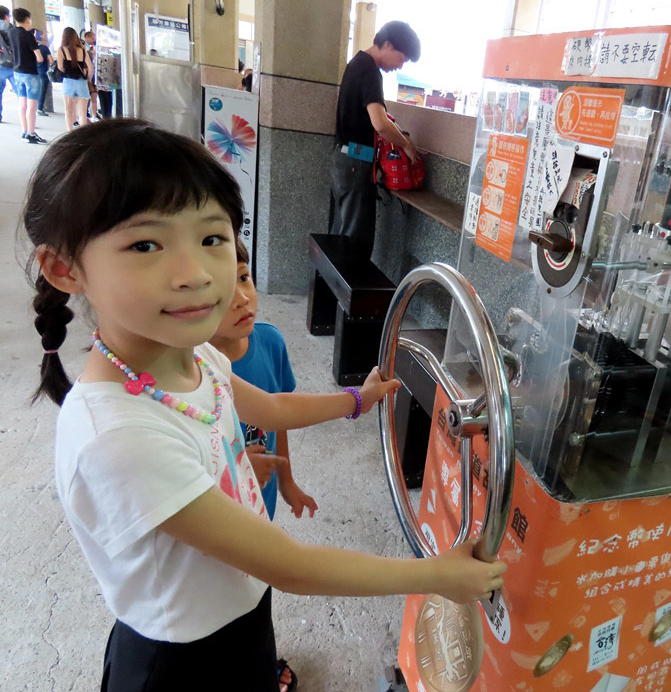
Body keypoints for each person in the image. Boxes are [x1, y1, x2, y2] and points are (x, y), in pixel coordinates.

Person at [24, 119, 505, 692]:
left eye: (212, 237)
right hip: (183, 660)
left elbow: (268, 410)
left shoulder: (193, 353)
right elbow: (290, 566)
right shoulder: (116, 437)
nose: (196, 274)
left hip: (239, 609)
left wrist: (356, 399)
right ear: (64, 268)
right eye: (145, 244)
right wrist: (438, 575)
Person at [210, 238, 316, 692]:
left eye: (244, 278)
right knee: (224, 597)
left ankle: (263, 661)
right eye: (221, 288)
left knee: (257, 592)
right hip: (218, 518)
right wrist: (236, 472)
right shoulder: (196, 366)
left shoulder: (270, 342)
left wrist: (287, 480)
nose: (241, 297)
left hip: (263, 504)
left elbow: (279, 417)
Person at [330, 20, 421, 260]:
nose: (400, 66)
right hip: (355, 163)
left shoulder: (356, 63)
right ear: (388, 44)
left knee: (342, 234)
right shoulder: (369, 70)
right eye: (402, 58)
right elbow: (380, 123)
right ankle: (348, 294)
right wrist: (406, 144)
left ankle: (337, 294)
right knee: (355, 241)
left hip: (345, 158)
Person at [10, 8, 46, 144]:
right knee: (32, 105)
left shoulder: (11, 32)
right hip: (30, 73)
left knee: (22, 103)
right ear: (27, 20)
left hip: (17, 72)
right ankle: (31, 133)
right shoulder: (27, 35)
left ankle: (25, 132)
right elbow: (39, 58)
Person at [57, 27, 93, 132]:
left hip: (68, 82)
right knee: (82, 114)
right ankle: (82, 136)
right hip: (81, 82)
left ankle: (70, 133)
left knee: (69, 111)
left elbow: (60, 67)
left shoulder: (61, 49)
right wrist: (89, 80)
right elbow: (90, 68)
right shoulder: (82, 50)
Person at [0, 6, 16, 123]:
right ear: (6, 16)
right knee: (22, 93)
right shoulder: (12, 29)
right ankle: (27, 121)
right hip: (13, 65)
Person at [33, 28, 51, 116]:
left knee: (33, 91)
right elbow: (51, 61)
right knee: (42, 91)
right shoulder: (44, 48)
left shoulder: (28, 47)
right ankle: (39, 108)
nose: (43, 36)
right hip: (43, 71)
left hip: (32, 72)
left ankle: (33, 108)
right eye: (41, 34)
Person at [83, 30, 99, 119]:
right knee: (93, 98)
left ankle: (90, 114)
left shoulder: (86, 51)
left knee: (90, 97)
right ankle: (93, 115)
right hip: (93, 76)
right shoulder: (88, 50)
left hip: (91, 77)